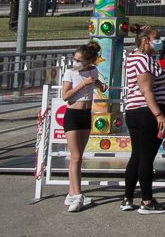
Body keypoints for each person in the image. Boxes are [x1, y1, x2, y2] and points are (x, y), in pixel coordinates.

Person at [122, 26, 165, 214]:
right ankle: (147, 201)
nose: (159, 41)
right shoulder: (143, 60)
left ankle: (128, 197)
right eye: (155, 38)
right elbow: (146, 90)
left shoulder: (137, 57)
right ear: (145, 41)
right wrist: (159, 114)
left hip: (136, 111)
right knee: (146, 158)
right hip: (146, 112)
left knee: (137, 156)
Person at [60, 42, 106, 212]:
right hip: (72, 115)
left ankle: (72, 193)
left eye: (79, 60)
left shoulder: (92, 71)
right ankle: (77, 194)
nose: (76, 62)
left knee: (78, 156)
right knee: (76, 156)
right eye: (75, 59)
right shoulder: (70, 73)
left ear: (88, 61)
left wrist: (99, 85)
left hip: (87, 114)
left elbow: (96, 82)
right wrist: (82, 84)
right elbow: (65, 96)